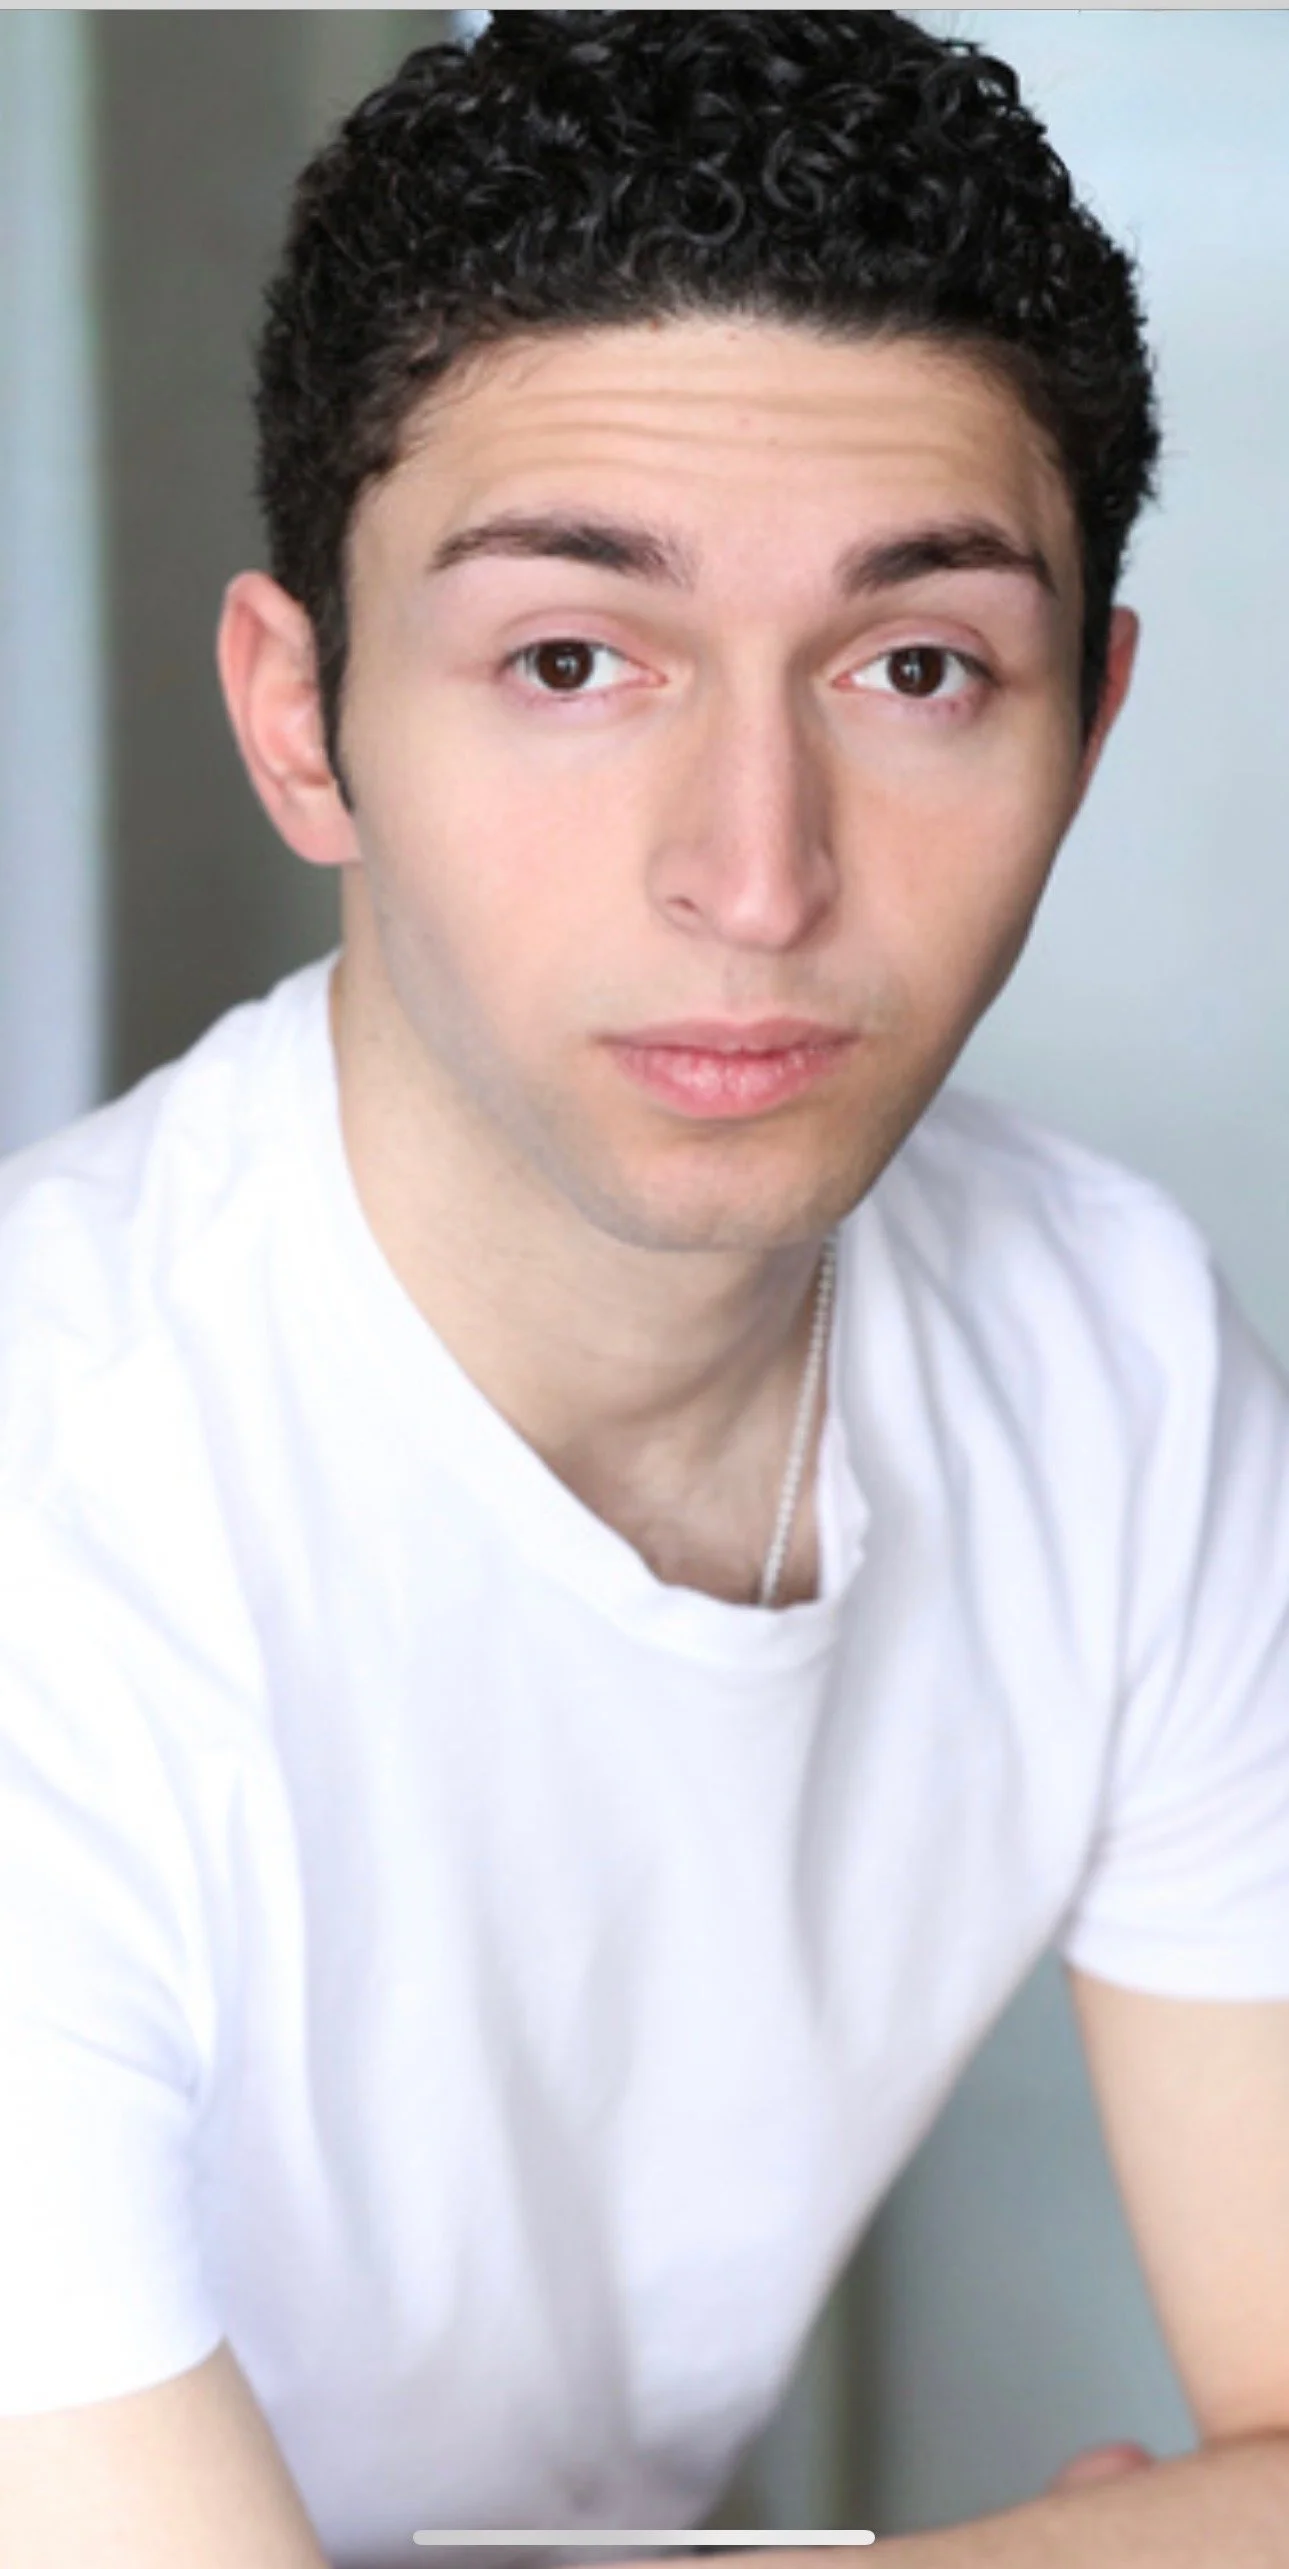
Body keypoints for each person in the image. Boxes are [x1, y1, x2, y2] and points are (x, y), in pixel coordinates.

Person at [0, 11, 1286, 2566]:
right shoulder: (58, 1523)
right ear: (300, 721)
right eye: (571, 660)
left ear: (1082, 726)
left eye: (913, 668)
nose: (754, 872)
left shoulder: (1110, 1364)